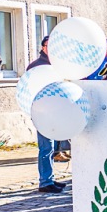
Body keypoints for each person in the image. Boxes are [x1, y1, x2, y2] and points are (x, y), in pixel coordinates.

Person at [26, 37, 65, 195]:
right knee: (46, 147)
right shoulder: (36, 66)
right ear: (43, 47)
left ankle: (49, 177)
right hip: (41, 111)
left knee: (52, 146)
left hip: (55, 111)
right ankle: (45, 182)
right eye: (50, 46)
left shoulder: (58, 66)